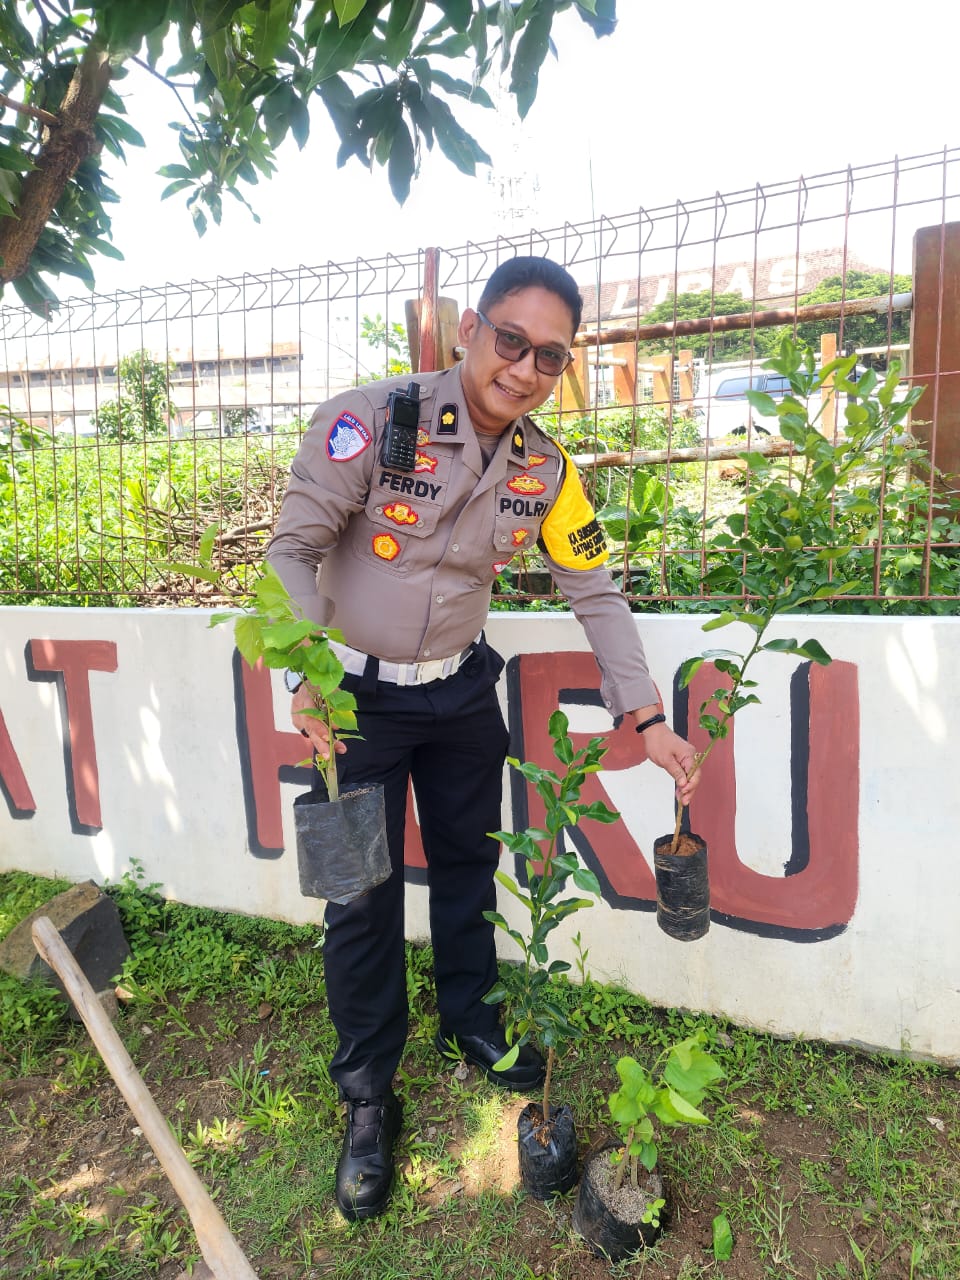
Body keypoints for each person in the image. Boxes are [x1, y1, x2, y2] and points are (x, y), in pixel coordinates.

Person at [267, 256, 701, 1222]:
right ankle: (368, 1096)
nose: (524, 369)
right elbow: (293, 550)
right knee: (359, 897)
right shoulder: (371, 422)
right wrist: (303, 675)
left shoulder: (547, 470)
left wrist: (646, 716)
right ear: (470, 329)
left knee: (468, 863)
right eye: (511, 341)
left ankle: (471, 1019)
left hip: (462, 694)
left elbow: (595, 590)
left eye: (550, 356)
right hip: (352, 701)